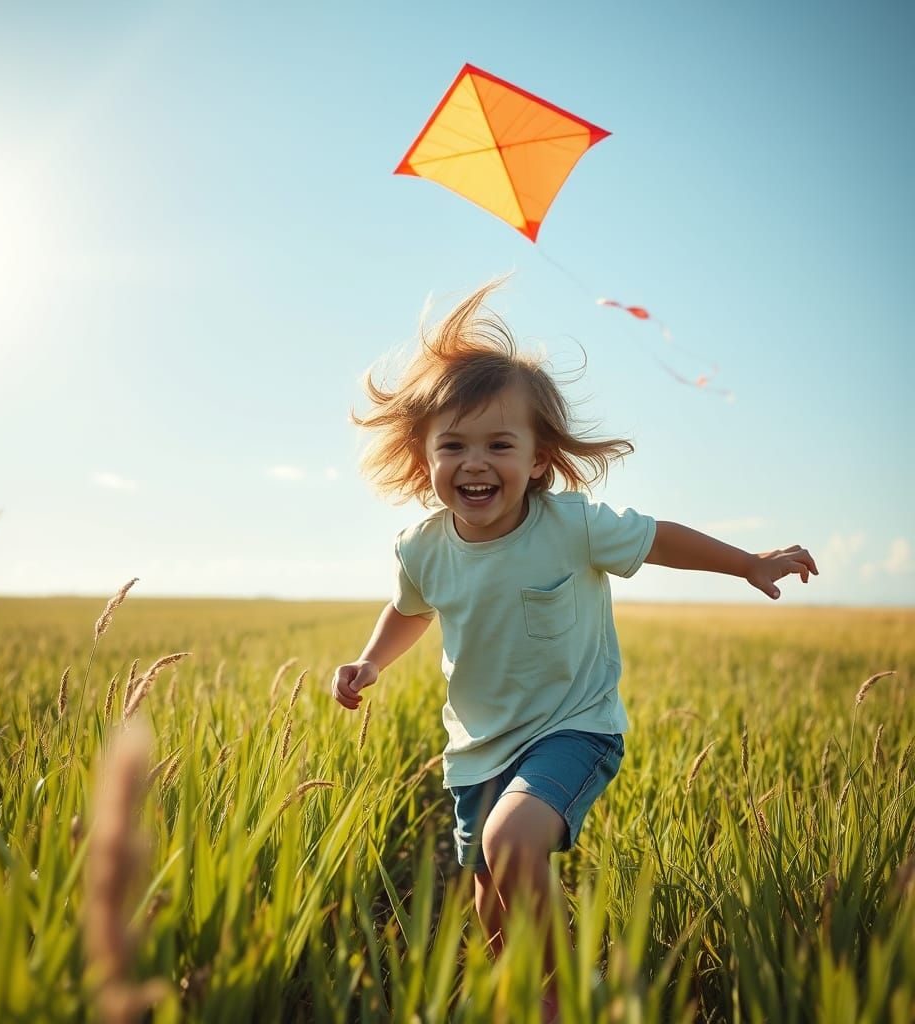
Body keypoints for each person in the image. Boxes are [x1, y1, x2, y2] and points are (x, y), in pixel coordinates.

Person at [329, 279, 817, 1022]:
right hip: (478, 750)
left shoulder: (573, 525)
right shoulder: (422, 547)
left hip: (573, 728)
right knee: (491, 893)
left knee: (512, 840)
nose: (474, 462)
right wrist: (370, 662)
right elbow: (408, 612)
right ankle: (527, 993)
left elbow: (659, 537)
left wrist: (748, 562)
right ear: (423, 455)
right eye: (452, 445)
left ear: (539, 457)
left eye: (499, 443)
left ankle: (565, 1001)